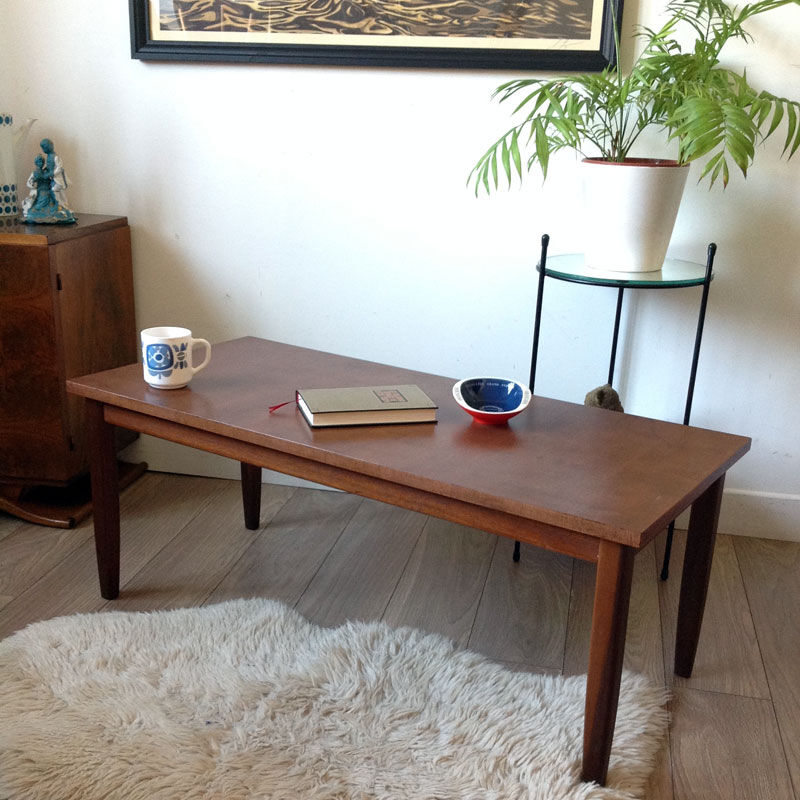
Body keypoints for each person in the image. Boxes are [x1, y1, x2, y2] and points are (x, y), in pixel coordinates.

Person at [21, 140, 76, 224]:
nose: (41, 163)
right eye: (38, 162)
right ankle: (60, 207)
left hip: (53, 184)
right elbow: (30, 183)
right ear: (35, 163)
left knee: (56, 192)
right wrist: (34, 183)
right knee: (44, 200)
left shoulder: (53, 159)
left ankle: (62, 206)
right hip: (41, 191)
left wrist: (50, 174)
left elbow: (58, 168)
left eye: (42, 161)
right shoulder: (35, 173)